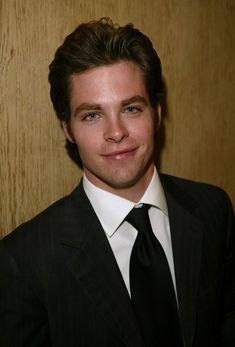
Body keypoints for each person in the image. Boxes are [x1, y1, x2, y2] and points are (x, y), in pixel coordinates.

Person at [0, 17, 234, 347]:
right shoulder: (23, 262)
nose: (116, 132)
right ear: (67, 128)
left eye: (132, 108)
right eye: (92, 115)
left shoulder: (214, 210)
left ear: (156, 112)